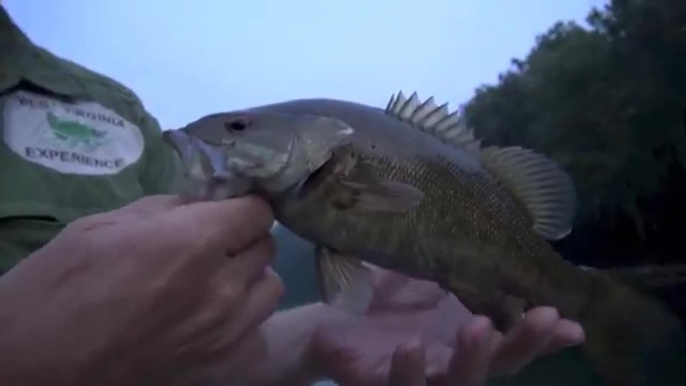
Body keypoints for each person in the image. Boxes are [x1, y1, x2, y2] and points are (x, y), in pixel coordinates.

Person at [0, 4, 588, 385]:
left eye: (237, 128)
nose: (221, 135)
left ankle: (590, 303)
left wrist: (314, 334)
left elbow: (182, 364)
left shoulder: (109, 108)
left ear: (317, 143)